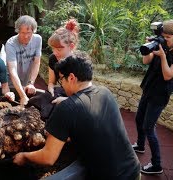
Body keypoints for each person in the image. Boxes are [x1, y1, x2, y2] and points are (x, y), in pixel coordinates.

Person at [13, 51, 140, 180]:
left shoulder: (66, 108)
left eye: (61, 79)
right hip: (133, 169)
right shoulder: (105, 92)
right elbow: (93, 126)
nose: (61, 84)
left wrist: (24, 156)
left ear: (72, 78)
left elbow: (48, 158)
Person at [132, 19, 173, 175]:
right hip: (149, 88)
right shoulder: (159, 44)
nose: (164, 39)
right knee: (138, 119)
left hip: (160, 94)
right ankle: (140, 145)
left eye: (168, 37)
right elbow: (146, 60)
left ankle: (157, 165)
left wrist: (162, 56)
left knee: (149, 127)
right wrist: (149, 47)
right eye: (163, 36)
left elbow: (168, 76)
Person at [5, 15, 42, 105]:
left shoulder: (38, 39)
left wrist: (31, 83)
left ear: (33, 31)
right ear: (18, 31)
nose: (26, 36)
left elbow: (36, 62)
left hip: (26, 79)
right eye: (22, 32)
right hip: (12, 81)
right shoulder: (11, 44)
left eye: (29, 32)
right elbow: (12, 70)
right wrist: (22, 96)